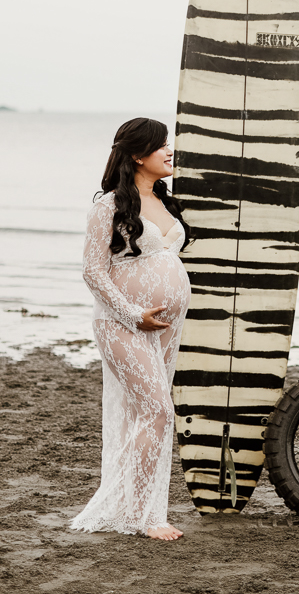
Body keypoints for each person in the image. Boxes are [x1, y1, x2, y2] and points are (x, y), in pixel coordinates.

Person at [71, 118, 191, 540]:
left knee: (148, 414)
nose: (170, 151)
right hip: (120, 322)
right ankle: (143, 516)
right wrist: (132, 314)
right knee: (159, 410)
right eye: (161, 145)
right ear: (138, 155)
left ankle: (141, 508)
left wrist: (291, 224)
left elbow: (232, 224)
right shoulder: (109, 205)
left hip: (164, 326)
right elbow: (93, 272)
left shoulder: (166, 201)